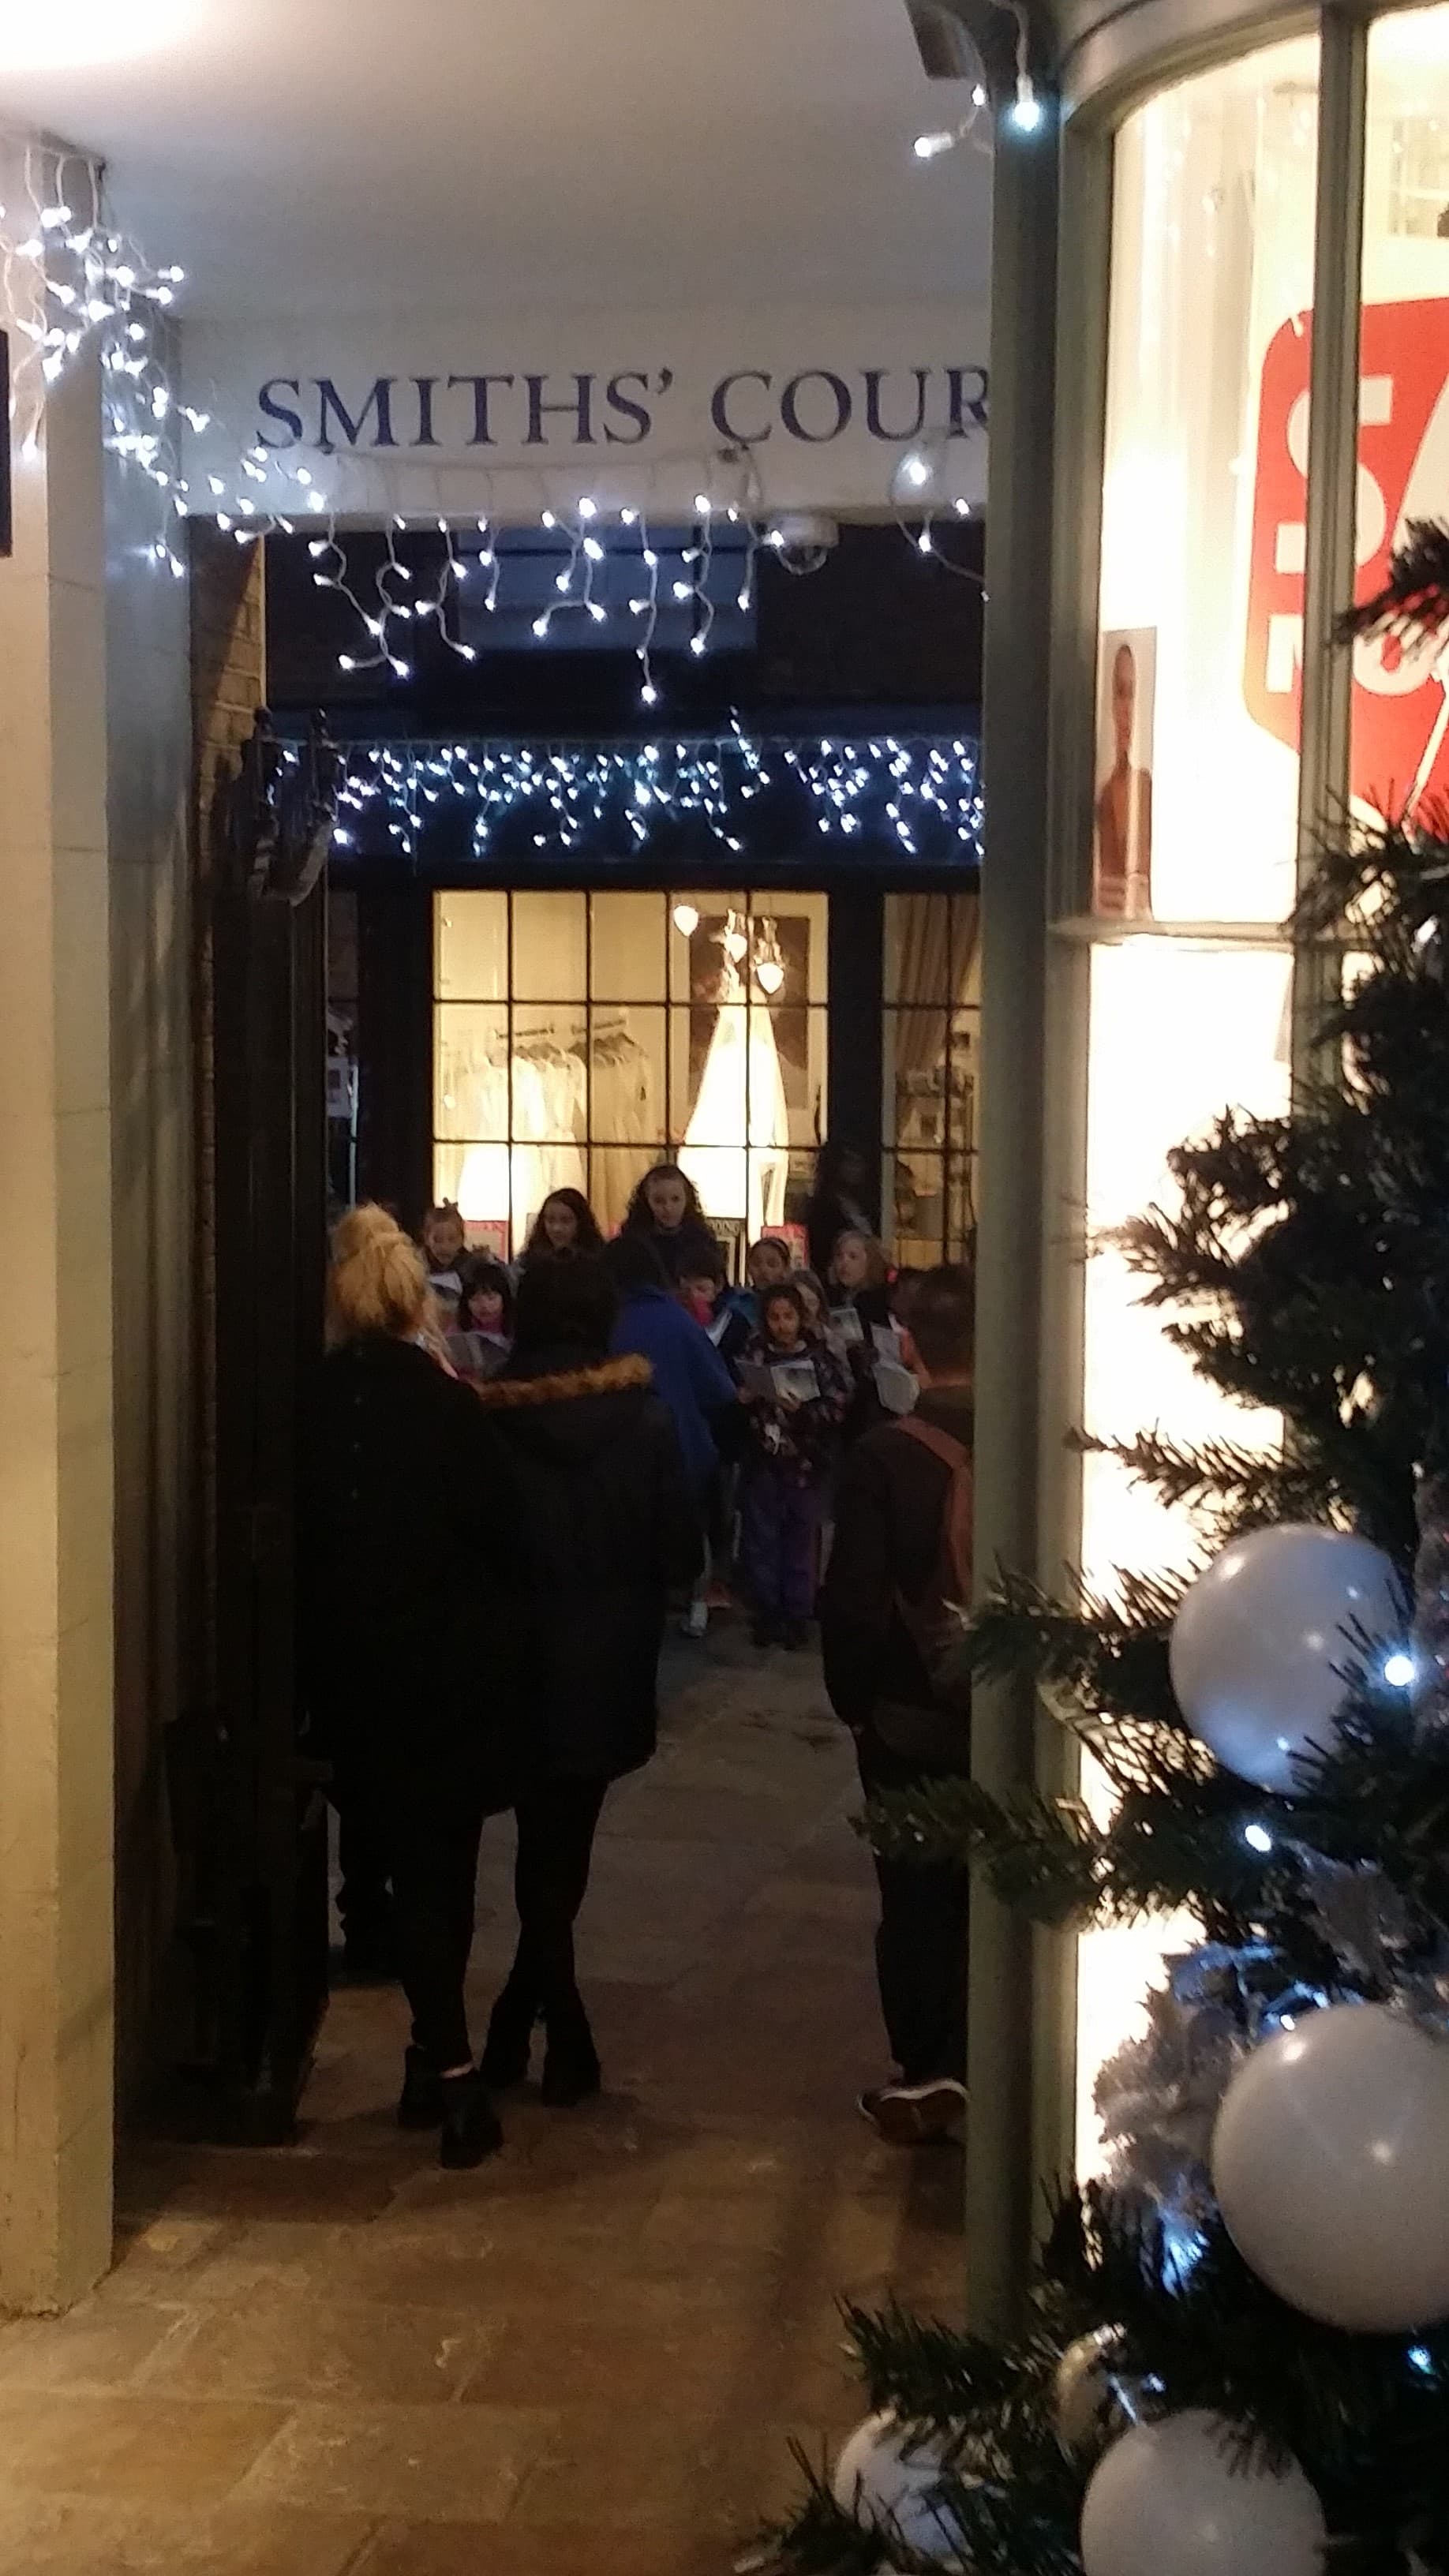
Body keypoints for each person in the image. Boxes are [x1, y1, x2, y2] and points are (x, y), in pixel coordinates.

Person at [301, 1209, 507, 2169]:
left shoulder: (314, 1404)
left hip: (351, 1675)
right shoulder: (448, 1407)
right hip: (446, 1675)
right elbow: (495, 1543)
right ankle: (455, 2077)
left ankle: (432, 2059)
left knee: (385, 1862)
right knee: (442, 1877)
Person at [474, 1256, 701, 2099]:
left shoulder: (491, 1420)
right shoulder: (641, 1421)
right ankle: (549, 2029)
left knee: (542, 1847)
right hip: (607, 1658)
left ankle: (525, 2025)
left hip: (513, 1654)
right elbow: (683, 1550)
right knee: (564, 1849)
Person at [819, 1264, 976, 2144]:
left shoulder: (886, 1456)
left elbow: (854, 1599)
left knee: (914, 1896)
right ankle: (989, 2050)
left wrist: (855, 1702)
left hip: (910, 1715)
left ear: (910, 1346)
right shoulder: (1034, 1438)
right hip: (1010, 1709)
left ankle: (924, 2068)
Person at [607, 1233, 736, 1636]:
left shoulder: (609, 1322)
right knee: (693, 1530)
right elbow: (720, 1391)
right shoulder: (680, 1321)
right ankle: (697, 1606)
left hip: (621, 1450)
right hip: (686, 1449)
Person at [738, 1280, 852, 1649]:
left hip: (805, 1462)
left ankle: (797, 1612)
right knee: (763, 1538)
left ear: (802, 1317)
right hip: (764, 1460)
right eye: (774, 1318)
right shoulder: (756, 1353)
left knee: (800, 1538)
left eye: (789, 1316)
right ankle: (767, 1611)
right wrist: (747, 1397)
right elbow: (742, 1392)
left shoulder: (820, 1358)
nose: (782, 1325)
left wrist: (804, 1411)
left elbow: (837, 1405)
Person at [1094, 639, 1154, 919]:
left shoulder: (1148, 788)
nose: (1126, 709)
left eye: (1132, 694)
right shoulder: (1104, 792)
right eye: (1120, 693)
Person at [621, 1162, 719, 1285]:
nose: (668, 1208)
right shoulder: (633, 1243)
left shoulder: (703, 1242)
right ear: (646, 1201)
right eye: (658, 1201)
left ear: (687, 1199)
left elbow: (718, 1287)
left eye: (675, 1199)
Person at [805, 1142, 876, 1279]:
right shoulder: (824, 1209)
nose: (858, 1168)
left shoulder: (866, 1206)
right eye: (851, 1162)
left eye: (859, 1163)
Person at [447, 1256, 515, 1382]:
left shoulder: (515, 1327)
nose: (484, 1306)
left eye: (491, 1298)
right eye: (475, 1299)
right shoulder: (458, 1327)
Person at [523, 1187, 605, 1264]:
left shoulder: (599, 1263)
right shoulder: (526, 1264)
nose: (556, 1228)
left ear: (581, 1223)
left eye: (566, 1221)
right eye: (550, 1220)